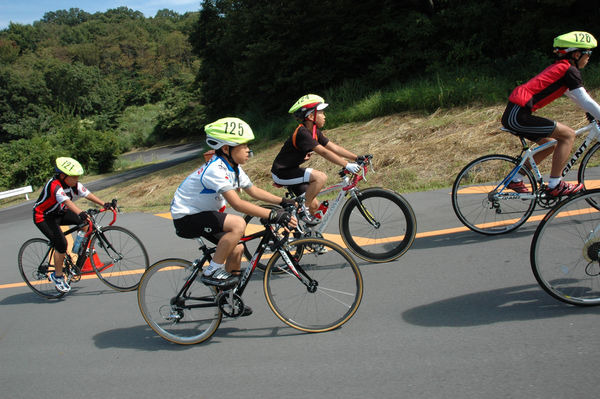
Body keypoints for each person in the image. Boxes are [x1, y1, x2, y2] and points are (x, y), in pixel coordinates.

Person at [170, 117, 297, 314]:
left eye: (248, 145)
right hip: (186, 217)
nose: (248, 150)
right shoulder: (215, 169)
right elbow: (238, 204)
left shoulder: (233, 168)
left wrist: (282, 202)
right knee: (237, 224)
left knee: (237, 249)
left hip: (204, 214)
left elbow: (253, 191)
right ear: (227, 149)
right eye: (243, 145)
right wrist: (274, 215)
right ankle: (212, 270)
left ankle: (228, 300)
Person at [502, 31, 600, 197]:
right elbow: (585, 100)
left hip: (517, 114)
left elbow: (578, 98)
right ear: (576, 54)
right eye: (588, 53)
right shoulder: (568, 70)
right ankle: (555, 184)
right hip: (518, 115)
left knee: (551, 143)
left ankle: (515, 178)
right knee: (568, 135)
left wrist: (592, 114)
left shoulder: (562, 69)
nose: (589, 57)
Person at [271, 94, 361, 224]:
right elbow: (324, 152)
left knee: (314, 207)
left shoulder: (314, 131)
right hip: (282, 172)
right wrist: (346, 164)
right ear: (311, 116)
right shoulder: (303, 133)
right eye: (321, 112)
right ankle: (302, 209)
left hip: (292, 171)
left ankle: (307, 238)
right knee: (320, 177)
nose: (324, 116)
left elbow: (333, 147)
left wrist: (356, 157)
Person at [33, 157, 115, 293]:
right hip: (44, 217)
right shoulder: (54, 186)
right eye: (74, 177)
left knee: (85, 224)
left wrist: (104, 204)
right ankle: (57, 276)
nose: (77, 179)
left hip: (59, 213)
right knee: (61, 244)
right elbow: (67, 202)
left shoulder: (73, 184)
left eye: (77, 177)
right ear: (62, 175)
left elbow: (87, 193)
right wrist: (80, 212)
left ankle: (76, 252)